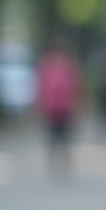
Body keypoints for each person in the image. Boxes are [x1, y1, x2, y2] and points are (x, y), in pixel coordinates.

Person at [36, 39, 82, 180]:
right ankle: (53, 165)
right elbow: (41, 87)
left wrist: (78, 106)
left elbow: (77, 88)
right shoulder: (46, 67)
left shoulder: (70, 68)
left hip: (66, 109)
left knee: (66, 138)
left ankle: (65, 165)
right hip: (50, 109)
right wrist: (39, 105)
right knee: (52, 138)